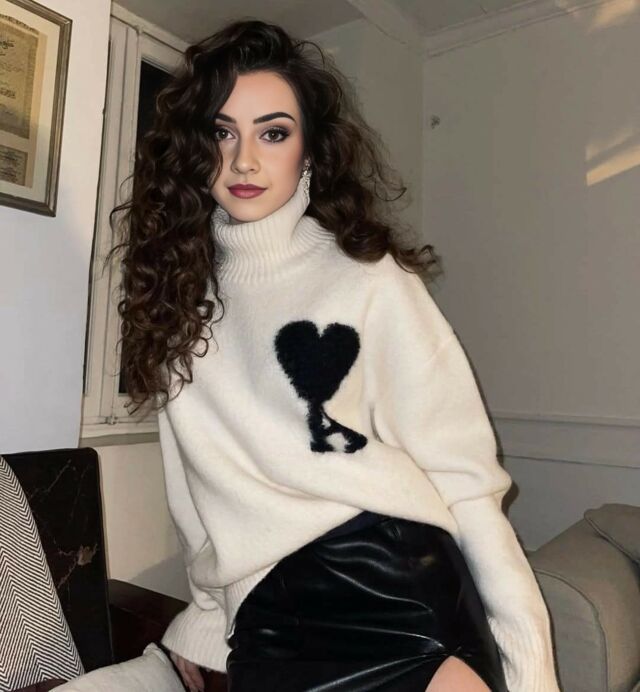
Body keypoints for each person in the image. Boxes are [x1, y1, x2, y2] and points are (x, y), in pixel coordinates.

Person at [106, 18, 561, 692]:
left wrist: (529, 662)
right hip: (269, 624)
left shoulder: (369, 278)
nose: (245, 160)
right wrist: (203, 625)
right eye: (222, 132)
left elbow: (465, 480)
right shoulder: (177, 299)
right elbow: (196, 495)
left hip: (397, 591)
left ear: (310, 150)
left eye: (273, 133)